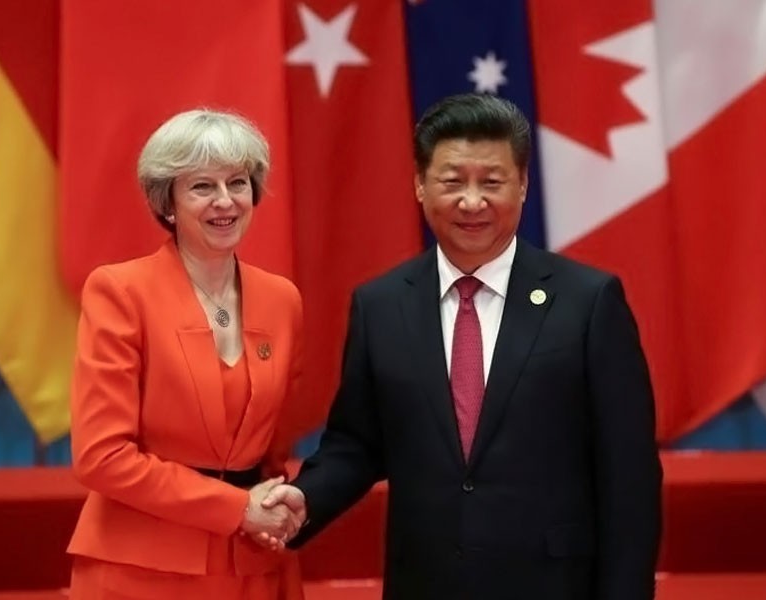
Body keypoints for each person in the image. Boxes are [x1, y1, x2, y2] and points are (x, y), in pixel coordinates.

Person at [263, 93, 662, 600]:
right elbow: (357, 444)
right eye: (452, 182)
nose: (472, 202)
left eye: (491, 182)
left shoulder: (588, 301)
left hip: (554, 584)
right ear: (419, 184)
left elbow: (629, 475)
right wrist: (303, 499)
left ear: (523, 185)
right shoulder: (381, 305)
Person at [67, 109, 304, 600]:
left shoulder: (282, 299)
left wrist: (278, 505)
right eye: (201, 187)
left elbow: (274, 454)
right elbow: (102, 457)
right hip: (141, 570)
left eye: (237, 182)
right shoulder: (120, 291)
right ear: (168, 203)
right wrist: (236, 508)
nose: (225, 201)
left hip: (253, 565)